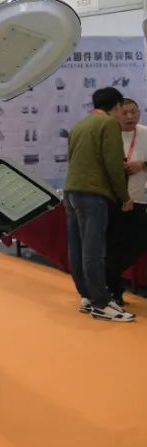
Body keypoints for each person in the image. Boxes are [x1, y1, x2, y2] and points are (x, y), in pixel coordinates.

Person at [65, 87, 135, 322]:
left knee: (77, 247)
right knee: (94, 250)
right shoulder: (109, 124)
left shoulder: (79, 125)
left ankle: (87, 296)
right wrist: (124, 197)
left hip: (72, 191)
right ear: (117, 106)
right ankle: (101, 303)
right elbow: (113, 165)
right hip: (94, 194)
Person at [109, 99, 147, 304]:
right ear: (115, 114)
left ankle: (110, 282)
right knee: (112, 247)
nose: (131, 117)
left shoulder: (145, 133)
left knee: (137, 244)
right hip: (112, 202)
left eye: (134, 112)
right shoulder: (108, 134)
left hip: (138, 201)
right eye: (125, 113)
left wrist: (143, 165)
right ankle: (112, 289)